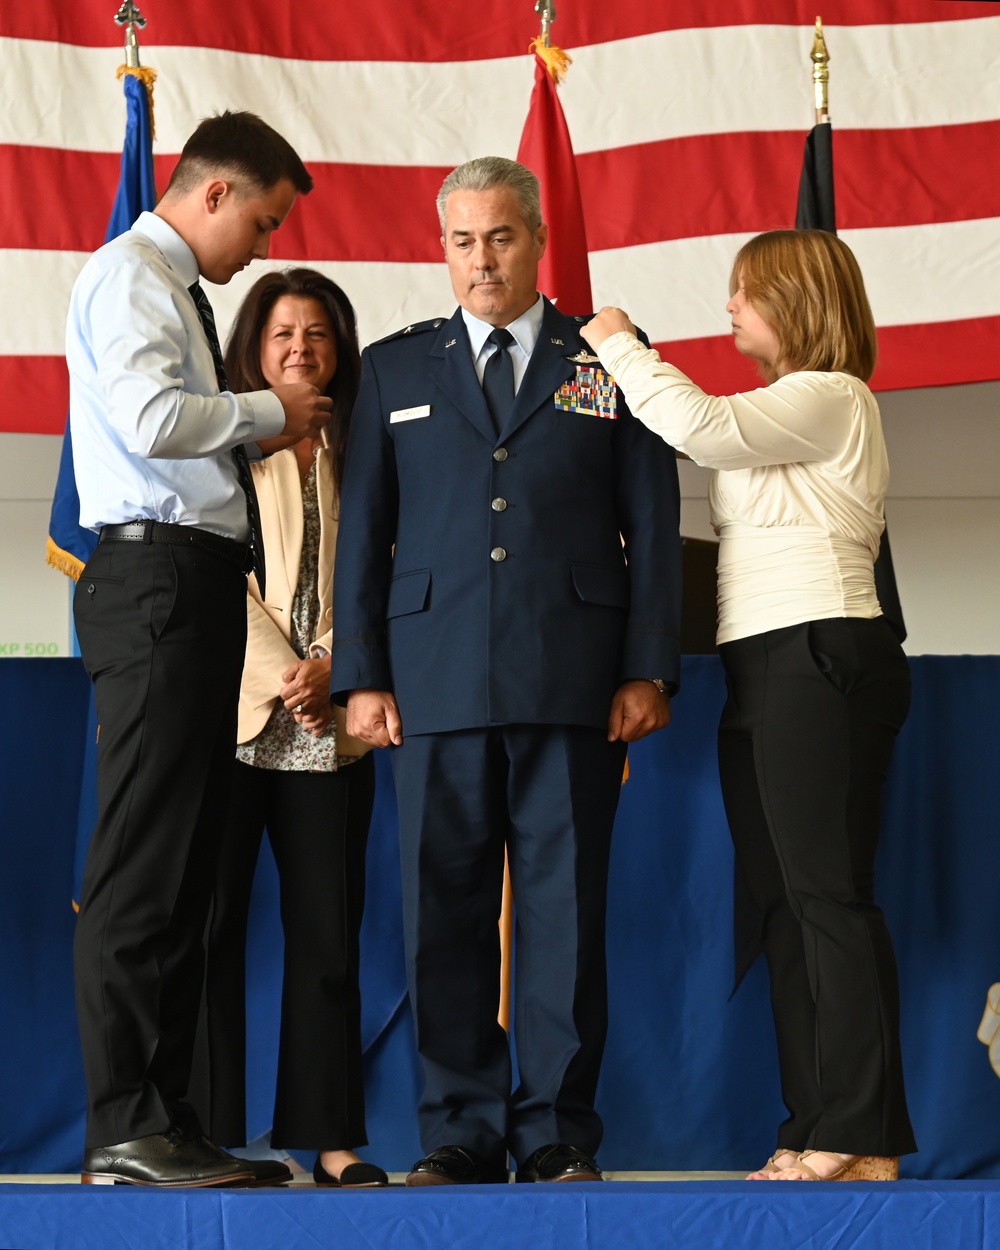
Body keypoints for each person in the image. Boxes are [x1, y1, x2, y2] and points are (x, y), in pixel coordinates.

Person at [330, 156, 683, 1186]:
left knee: (563, 915)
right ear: (441, 249)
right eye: (460, 241)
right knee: (441, 911)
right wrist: (363, 672)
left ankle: (556, 1130)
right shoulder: (395, 367)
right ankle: (458, 1129)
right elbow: (367, 536)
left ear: (535, 239)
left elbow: (652, 524)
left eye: (499, 238)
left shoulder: (605, 356)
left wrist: (648, 664)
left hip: (575, 676)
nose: (480, 260)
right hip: (430, 678)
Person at [581, 228, 916, 1182]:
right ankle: (821, 1124)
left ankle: (863, 1129)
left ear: (795, 301)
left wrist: (616, 341)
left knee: (825, 898)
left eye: (743, 292)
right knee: (780, 905)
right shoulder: (787, 409)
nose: (728, 308)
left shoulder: (831, 396)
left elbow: (699, 428)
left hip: (824, 655)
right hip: (766, 661)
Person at [68, 111, 331, 1187]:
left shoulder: (174, 290)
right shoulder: (132, 274)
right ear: (213, 193)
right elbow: (146, 413)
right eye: (262, 221)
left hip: (194, 584)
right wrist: (270, 408)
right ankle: (124, 1120)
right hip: (156, 583)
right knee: (141, 863)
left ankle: (165, 1117)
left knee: (180, 869)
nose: (261, 247)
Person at [203, 268, 386, 1188]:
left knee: (327, 935)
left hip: (333, 723)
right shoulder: (225, 440)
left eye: (317, 334)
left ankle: (328, 1138)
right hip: (237, 715)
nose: (300, 350)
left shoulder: (370, 446)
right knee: (211, 927)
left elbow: (389, 573)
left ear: (340, 348)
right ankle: (202, 1137)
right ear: (253, 349)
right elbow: (207, 575)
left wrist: (336, 674)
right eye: (281, 335)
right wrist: (287, 675)